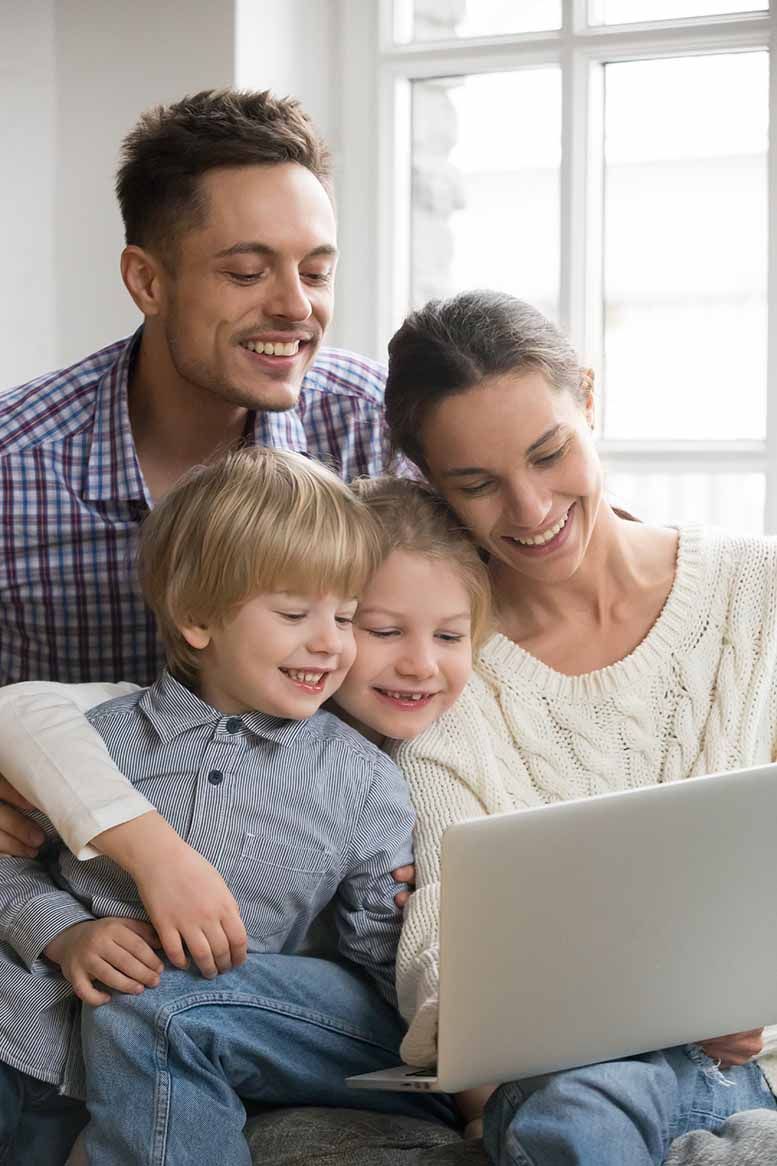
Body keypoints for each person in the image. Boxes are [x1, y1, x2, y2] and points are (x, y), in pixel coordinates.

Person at [378, 290, 777, 1165]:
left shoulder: (757, 596)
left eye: (548, 453)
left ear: (586, 399)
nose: (527, 510)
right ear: (429, 482)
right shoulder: (440, 680)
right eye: (476, 484)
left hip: (753, 1074)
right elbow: (442, 937)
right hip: (566, 1087)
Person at [0, 464, 493, 1163]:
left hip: (216, 1028)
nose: (329, 643)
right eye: (295, 615)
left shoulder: (361, 782)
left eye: (347, 617)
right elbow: (10, 861)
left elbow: (385, 959)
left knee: (160, 1005)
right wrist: (65, 933)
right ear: (196, 617)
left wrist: (469, 1060)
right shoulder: (97, 741)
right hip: (28, 1037)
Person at [0, 86, 393, 699]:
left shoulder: (378, 426)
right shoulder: (13, 465)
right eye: (246, 273)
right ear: (148, 281)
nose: (296, 306)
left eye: (317, 273)